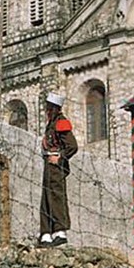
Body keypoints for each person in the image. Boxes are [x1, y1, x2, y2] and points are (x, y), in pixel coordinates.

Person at [39, 91, 78, 247]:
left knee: (56, 196)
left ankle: (59, 230)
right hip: (48, 163)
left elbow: (72, 146)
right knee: (46, 198)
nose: (47, 110)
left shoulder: (61, 122)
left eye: (49, 107)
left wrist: (60, 157)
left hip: (56, 165)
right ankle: (46, 232)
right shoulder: (51, 124)